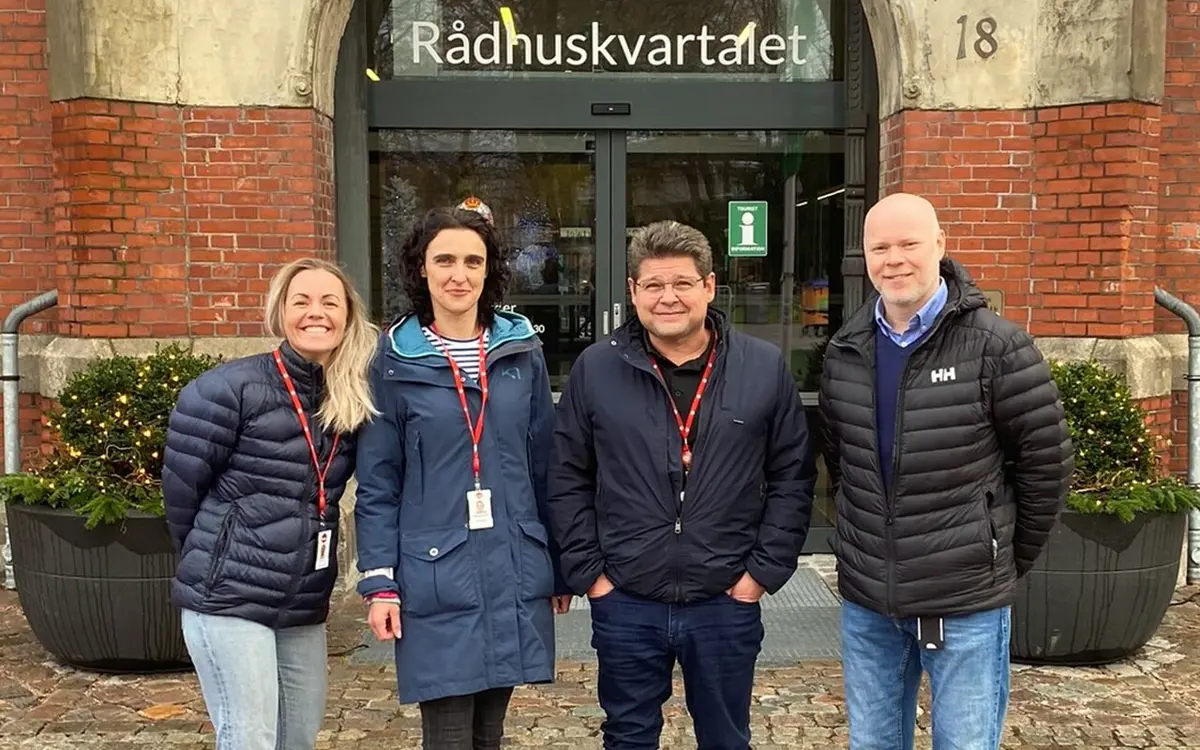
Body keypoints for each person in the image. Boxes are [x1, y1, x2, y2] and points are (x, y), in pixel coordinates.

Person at [817, 192, 1075, 750]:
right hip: (870, 601)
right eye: (880, 248)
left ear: (939, 245)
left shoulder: (997, 346)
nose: (894, 260)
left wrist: (995, 555)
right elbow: (844, 464)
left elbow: (1046, 466)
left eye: (908, 244)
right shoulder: (845, 350)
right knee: (873, 744)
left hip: (964, 601)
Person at [547, 220, 817, 750]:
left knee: (726, 739)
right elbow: (567, 476)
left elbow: (792, 476)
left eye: (682, 283)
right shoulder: (596, 369)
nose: (667, 297)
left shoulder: (762, 367)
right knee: (627, 737)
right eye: (653, 285)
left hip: (725, 598)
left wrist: (760, 575)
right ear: (633, 292)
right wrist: (591, 576)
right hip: (626, 597)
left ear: (709, 286)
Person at [353, 202, 574, 750]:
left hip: (513, 564)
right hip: (435, 573)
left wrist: (559, 564)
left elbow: (545, 464)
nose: (459, 275)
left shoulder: (521, 350)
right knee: (448, 734)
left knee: (489, 733)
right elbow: (379, 481)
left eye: (473, 261)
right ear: (421, 268)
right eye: (445, 260)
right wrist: (379, 581)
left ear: (488, 270)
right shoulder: (392, 361)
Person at [162, 257, 380, 750]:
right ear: (280, 312)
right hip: (229, 597)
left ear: (348, 315)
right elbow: (181, 494)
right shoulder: (227, 389)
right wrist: (219, 554)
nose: (316, 312)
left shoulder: (349, 396)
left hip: (301, 602)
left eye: (329, 302)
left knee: (297, 736)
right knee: (250, 737)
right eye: (301, 301)